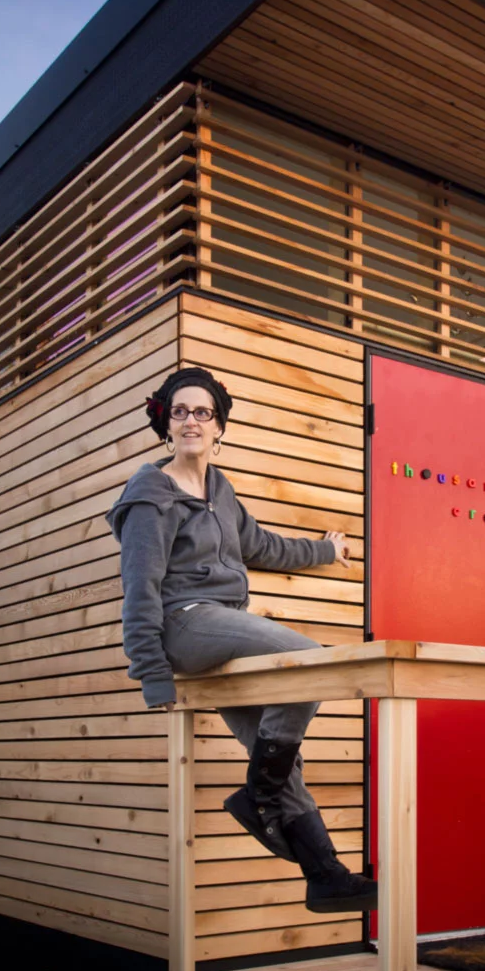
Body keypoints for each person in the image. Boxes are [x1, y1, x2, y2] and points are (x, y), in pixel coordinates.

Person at [105, 367, 377, 914]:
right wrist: (151, 672)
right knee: (308, 660)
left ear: (219, 427)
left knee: (277, 757)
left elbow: (261, 545)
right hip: (184, 624)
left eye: (202, 412)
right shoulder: (149, 498)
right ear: (164, 423)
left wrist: (324, 551)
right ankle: (258, 795)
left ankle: (324, 874)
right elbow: (139, 587)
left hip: (225, 626)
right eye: (179, 411)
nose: (191, 421)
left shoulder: (220, 491)